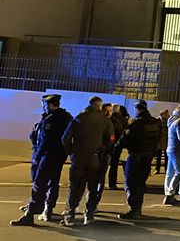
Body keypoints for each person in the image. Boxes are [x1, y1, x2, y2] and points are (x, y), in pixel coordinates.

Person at [11, 94, 73, 226]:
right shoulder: (66, 117)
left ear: (50, 105)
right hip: (59, 157)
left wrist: (37, 158)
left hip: (48, 157)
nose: (42, 108)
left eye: (44, 105)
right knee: (53, 183)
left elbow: (45, 142)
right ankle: (48, 210)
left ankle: (30, 215)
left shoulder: (50, 119)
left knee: (38, 185)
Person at [60, 96, 115, 226]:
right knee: (92, 187)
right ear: (100, 106)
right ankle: (89, 215)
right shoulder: (105, 120)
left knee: (75, 187)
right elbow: (112, 138)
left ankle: (70, 215)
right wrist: (104, 149)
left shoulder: (78, 118)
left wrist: (71, 153)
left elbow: (64, 139)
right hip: (95, 158)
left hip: (79, 157)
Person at [115, 100, 161, 220]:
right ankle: (138, 209)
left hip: (136, 156)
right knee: (141, 183)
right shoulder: (155, 122)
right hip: (148, 157)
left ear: (137, 109)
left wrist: (115, 149)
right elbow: (158, 139)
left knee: (131, 183)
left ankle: (133, 210)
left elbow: (123, 140)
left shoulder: (136, 124)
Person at [107, 103, 129, 189]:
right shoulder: (123, 119)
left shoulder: (109, 119)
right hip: (119, 145)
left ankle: (109, 183)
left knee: (109, 165)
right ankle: (125, 182)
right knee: (120, 165)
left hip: (109, 145)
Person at [154, 109, 169, 174]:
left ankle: (166, 169)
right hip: (160, 140)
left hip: (166, 140)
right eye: (165, 114)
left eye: (167, 114)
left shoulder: (169, 120)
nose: (166, 115)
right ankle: (157, 169)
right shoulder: (158, 120)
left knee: (166, 156)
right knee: (158, 155)